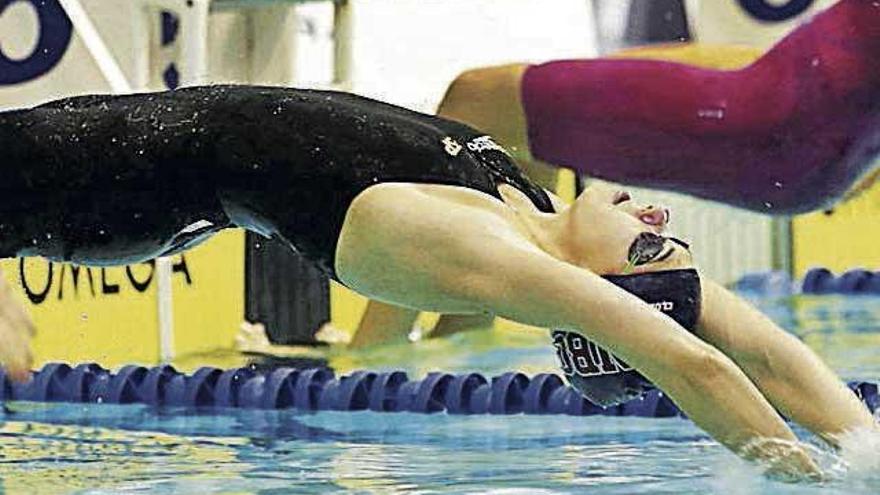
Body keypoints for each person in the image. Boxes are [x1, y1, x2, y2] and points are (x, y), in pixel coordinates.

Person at [0, 85, 873, 476]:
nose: (655, 221)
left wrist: (799, 480)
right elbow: (761, 345)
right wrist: (865, 447)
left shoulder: (491, 253)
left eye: (648, 251)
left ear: (601, 293)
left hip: (93, 186)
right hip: (127, 137)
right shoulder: (531, 209)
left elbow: (702, 368)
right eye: (666, 236)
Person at [437, 0, 880, 213]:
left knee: (479, 100)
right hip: (797, 110)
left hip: (777, 120)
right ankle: (457, 330)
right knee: (504, 119)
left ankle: (376, 365)